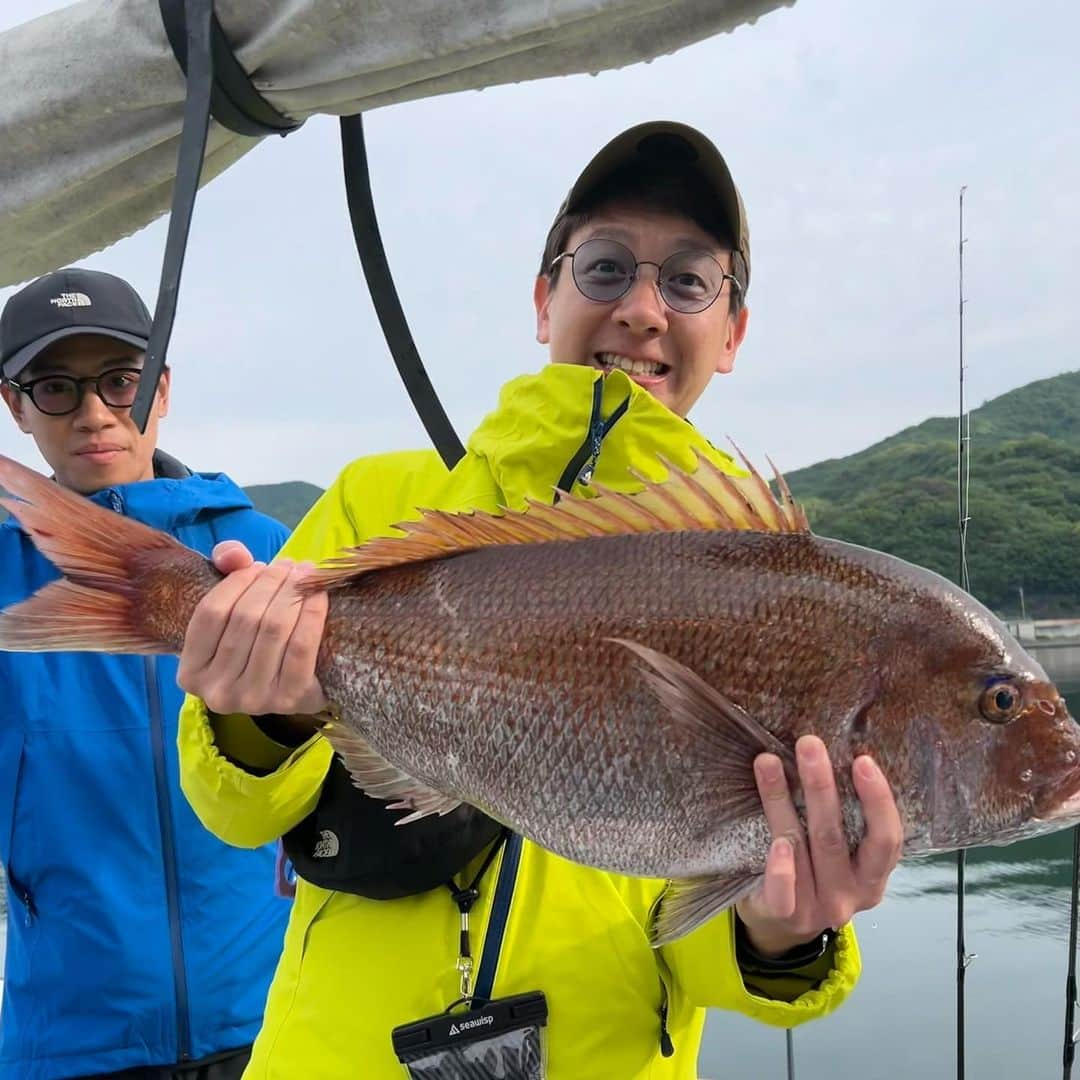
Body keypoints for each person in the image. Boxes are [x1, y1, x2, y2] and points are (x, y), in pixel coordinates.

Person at [175, 122, 904, 1079]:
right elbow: (234, 813)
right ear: (543, 297)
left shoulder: (759, 570)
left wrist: (778, 933)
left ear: (731, 334)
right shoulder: (377, 502)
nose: (643, 309)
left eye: (688, 281)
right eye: (605, 268)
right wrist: (255, 715)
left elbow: (691, 946)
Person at [0, 268, 292, 1080]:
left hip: (273, 1016)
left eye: (119, 381)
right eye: (55, 387)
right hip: (69, 1035)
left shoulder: (260, 550)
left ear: (160, 389)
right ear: (12, 405)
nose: (94, 412)